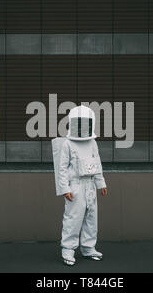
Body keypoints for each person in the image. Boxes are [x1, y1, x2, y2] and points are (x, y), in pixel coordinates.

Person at [51, 105, 108, 266]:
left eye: (85, 123)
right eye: (79, 122)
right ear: (72, 123)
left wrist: (101, 183)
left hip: (90, 184)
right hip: (75, 186)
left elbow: (97, 163)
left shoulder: (92, 143)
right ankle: (68, 250)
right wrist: (65, 189)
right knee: (73, 219)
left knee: (91, 218)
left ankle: (89, 248)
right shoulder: (67, 144)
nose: (82, 126)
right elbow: (62, 168)